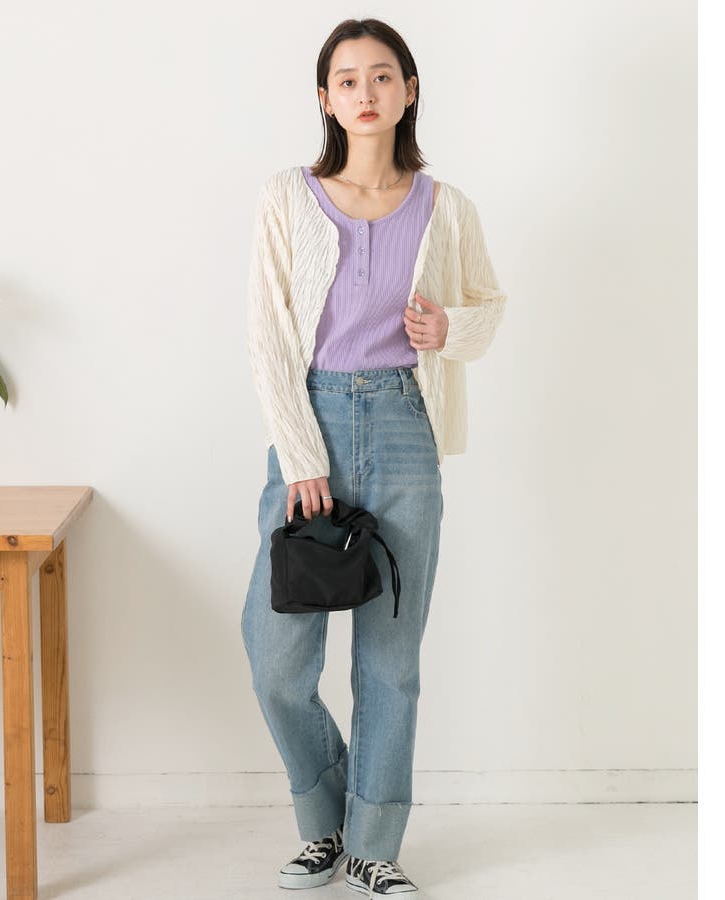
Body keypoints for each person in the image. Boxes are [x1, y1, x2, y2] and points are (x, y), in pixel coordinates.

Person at [241, 17, 507, 898]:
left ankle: (372, 845)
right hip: (309, 426)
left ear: (409, 91)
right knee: (277, 658)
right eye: (348, 79)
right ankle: (327, 822)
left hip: (403, 428)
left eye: (382, 76)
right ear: (325, 99)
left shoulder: (445, 206)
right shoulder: (287, 198)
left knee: (390, 660)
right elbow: (268, 337)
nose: (366, 92)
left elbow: (488, 310)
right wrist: (300, 454)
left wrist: (449, 328)